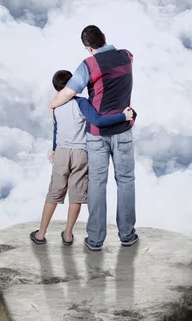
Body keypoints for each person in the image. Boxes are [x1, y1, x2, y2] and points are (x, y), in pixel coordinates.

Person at [49, 26, 138, 251]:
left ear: (88, 48)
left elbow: (69, 92)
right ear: (105, 38)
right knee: (126, 181)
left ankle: (96, 240)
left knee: (97, 184)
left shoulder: (88, 65)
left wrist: (52, 104)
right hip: (124, 129)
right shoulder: (127, 57)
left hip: (97, 135)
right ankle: (127, 235)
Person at [31, 69, 134, 246]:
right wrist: (123, 116)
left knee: (54, 193)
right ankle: (68, 235)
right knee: (76, 195)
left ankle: (41, 234)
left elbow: (56, 130)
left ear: (56, 88)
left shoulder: (55, 106)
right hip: (81, 153)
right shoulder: (81, 103)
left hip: (62, 152)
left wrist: (55, 149)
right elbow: (98, 120)